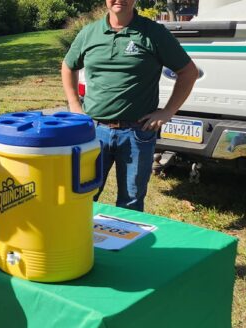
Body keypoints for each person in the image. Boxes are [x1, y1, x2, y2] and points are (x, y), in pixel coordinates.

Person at [61, 0, 198, 211]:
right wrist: (74, 105)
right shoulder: (90, 33)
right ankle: (82, 242)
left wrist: (168, 111)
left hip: (137, 133)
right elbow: (68, 66)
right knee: (82, 197)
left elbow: (188, 72)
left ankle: (125, 244)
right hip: (93, 132)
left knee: (131, 202)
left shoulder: (153, 33)